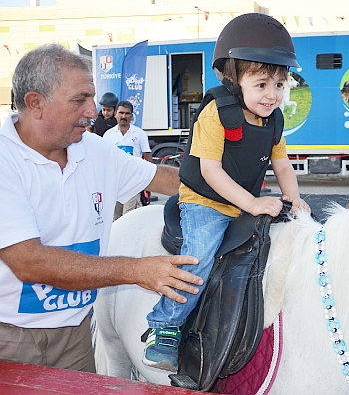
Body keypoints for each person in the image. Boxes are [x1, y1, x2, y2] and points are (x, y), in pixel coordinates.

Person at [0, 43, 203, 373]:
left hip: (77, 334)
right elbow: (28, 262)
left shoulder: (95, 151)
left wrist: (235, 192)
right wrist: (137, 270)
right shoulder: (4, 160)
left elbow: (165, 179)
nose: (93, 111)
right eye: (80, 99)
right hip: (11, 338)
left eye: (92, 98)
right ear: (35, 104)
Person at [142, 13, 311, 372]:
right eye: (262, 83)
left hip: (242, 204)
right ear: (235, 80)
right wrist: (251, 202)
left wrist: (294, 199)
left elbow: (282, 166)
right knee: (199, 259)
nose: (273, 94)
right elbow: (210, 170)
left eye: (280, 85)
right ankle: (165, 325)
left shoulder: (274, 121)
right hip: (206, 203)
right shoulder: (217, 115)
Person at [103, 100, 153, 221]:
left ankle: (126, 239)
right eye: (121, 113)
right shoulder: (109, 135)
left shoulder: (139, 134)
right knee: (115, 216)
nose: (124, 116)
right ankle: (116, 239)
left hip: (133, 180)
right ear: (115, 114)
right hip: (114, 182)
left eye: (127, 113)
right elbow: (103, 158)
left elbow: (147, 156)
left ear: (131, 115)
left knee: (128, 216)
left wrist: (149, 181)